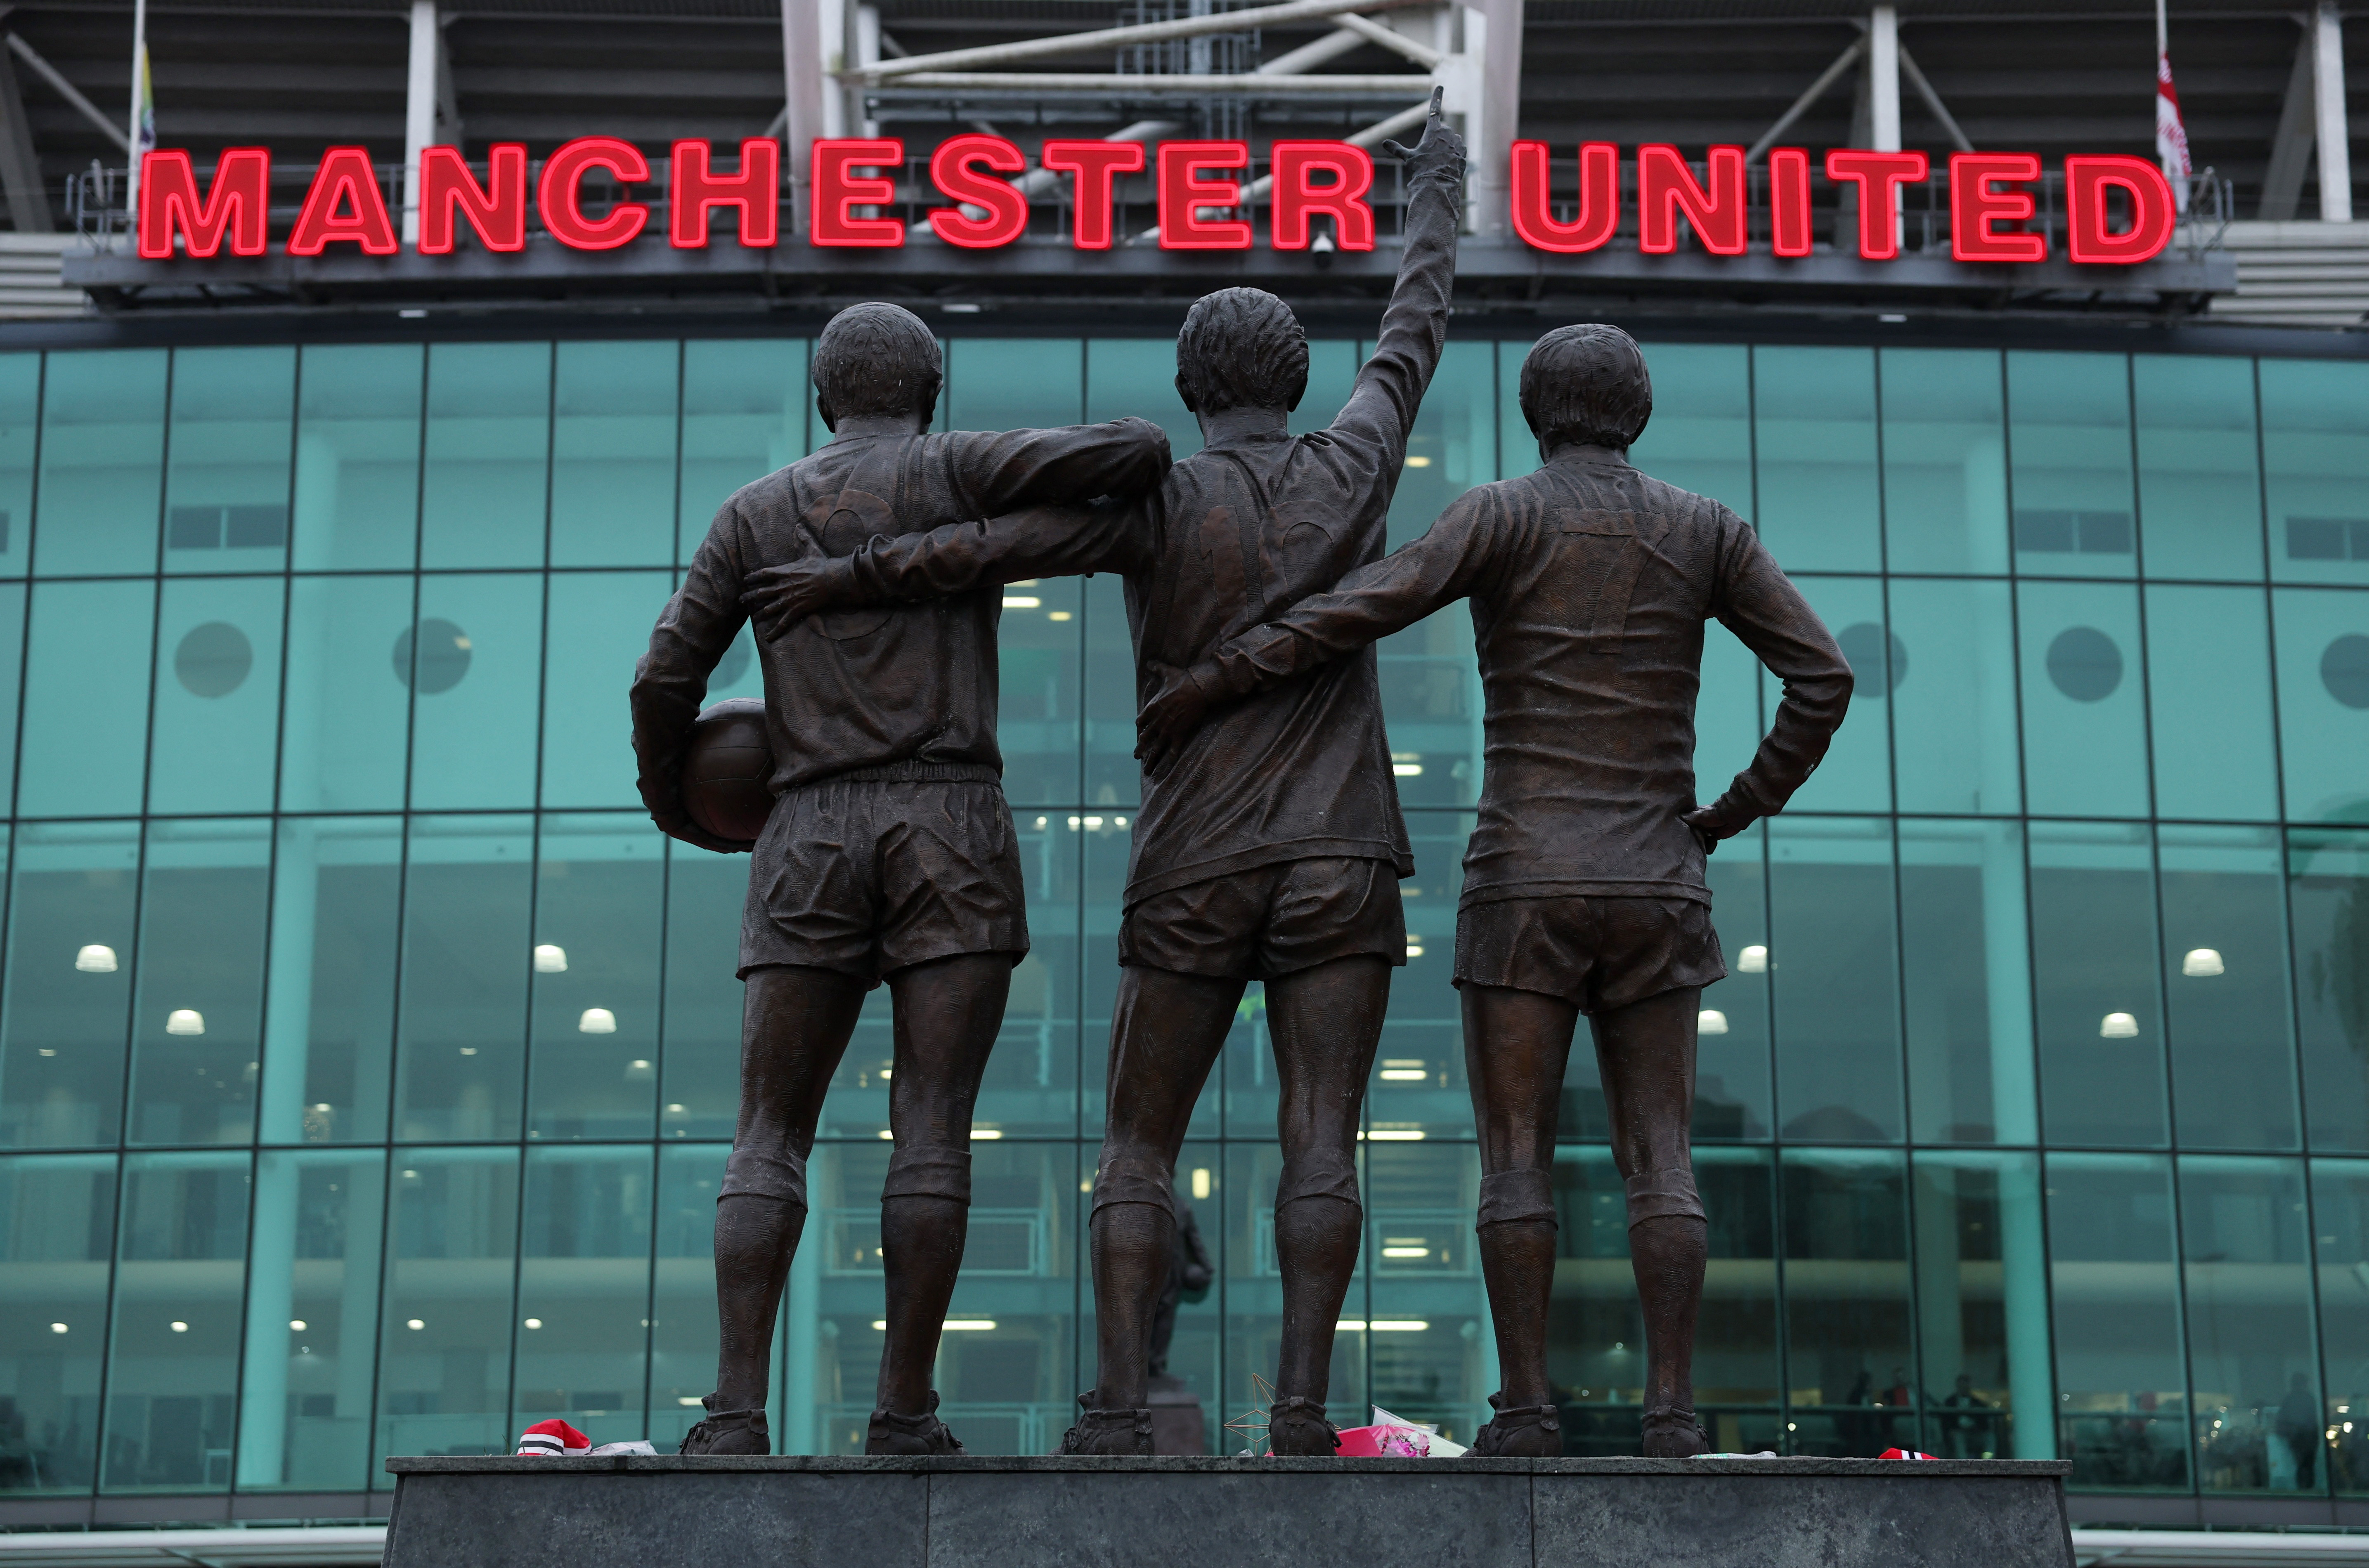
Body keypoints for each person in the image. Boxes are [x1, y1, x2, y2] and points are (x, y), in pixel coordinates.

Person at [738, 92, 1466, 1456]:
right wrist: (1433, 184)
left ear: (1192, 391)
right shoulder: (1356, 461)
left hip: (1192, 857)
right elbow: (1415, 323)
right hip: (1339, 853)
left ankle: (1117, 1411)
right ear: (1296, 379)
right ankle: (1303, 1416)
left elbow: (983, 550)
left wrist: (841, 575)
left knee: (1140, 1147)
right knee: (1324, 1136)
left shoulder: (1152, 502)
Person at [1128, 324, 1852, 1457]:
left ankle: (1524, 1409)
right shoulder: (1704, 528)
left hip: (1521, 874)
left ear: (1532, 414)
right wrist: (1730, 810)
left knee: (1513, 1153)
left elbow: (1359, 608)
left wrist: (1216, 677)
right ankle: (1670, 1413)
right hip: (1658, 874)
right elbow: (1823, 675)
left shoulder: (1498, 514)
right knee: (1659, 1153)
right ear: (1640, 411)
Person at [628, 302, 1170, 1455]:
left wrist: (678, 806)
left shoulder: (755, 511)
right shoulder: (956, 468)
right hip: (947, 817)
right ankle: (903, 1410)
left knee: (767, 1130)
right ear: (927, 388)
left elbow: (660, 678)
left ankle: (734, 1412)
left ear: (825, 396)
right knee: (931, 1127)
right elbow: (1136, 450)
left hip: (807, 826)